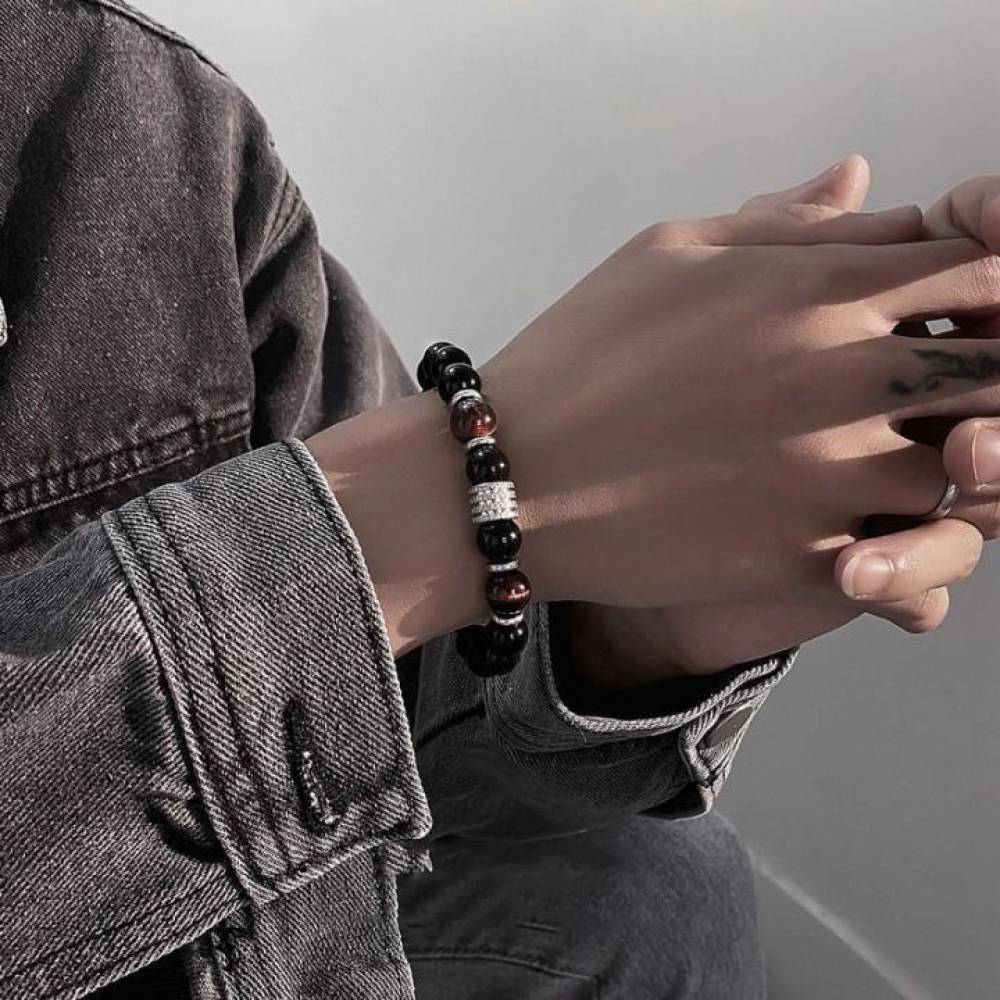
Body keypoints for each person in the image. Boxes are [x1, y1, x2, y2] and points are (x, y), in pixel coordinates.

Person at [3, 3, 1000, 999]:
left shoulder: (121, 112)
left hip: (234, 923)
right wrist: (461, 498)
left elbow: (376, 716)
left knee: (659, 894)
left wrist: (625, 636)